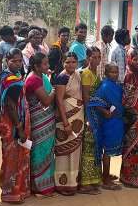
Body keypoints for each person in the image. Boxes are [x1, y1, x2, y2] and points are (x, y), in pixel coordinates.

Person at [0, 48, 31, 204]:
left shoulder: (14, 76)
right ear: (6, 61)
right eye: (13, 61)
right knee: (11, 156)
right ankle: (10, 191)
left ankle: (19, 189)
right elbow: (10, 105)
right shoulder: (9, 78)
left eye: (19, 61)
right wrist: (19, 126)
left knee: (19, 155)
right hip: (11, 122)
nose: (17, 64)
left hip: (16, 120)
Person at [24, 53, 56, 197]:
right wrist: (55, 90)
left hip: (46, 120)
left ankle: (45, 186)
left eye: (47, 63)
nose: (47, 66)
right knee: (40, 151)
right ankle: (39, 187)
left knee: (46, 150)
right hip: (39, 121)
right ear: (36, 66)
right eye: (44, 64)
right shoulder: (34, 80)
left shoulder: (40, 77)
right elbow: (47, 101)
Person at [53, 52, 84, 195]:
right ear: (63, 63)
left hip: (78, 118)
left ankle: (73, 183)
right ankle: (61, 184)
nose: (71, 65)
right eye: (68, 62)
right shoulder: (62, 77)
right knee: (64, 151)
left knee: (75, 150)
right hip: (65, 118)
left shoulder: (77, 75)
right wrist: (65, 123)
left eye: (73, 62)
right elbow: (59, 100)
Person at [120, 49, 138, 188]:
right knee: (131, 147)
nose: (137, 62)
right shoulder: (129, 76)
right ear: (129, 60)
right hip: (132, 117)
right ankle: (129, 177)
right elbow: (126, 99)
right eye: (134, 59)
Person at [78, 46, 103, 194]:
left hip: (97, 113)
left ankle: (93, 179)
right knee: (88, 147)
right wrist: (89, 118)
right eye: (93, 57)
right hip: (90, 114)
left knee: (95, 148)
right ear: (88, 58)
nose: (96, 60)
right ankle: (84, 184)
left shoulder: (96, 74)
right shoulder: (86, 74)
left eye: (98, 57)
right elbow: (87, 98)